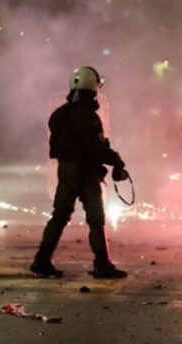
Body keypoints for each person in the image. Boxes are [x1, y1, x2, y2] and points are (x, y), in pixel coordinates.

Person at [30, 66, 129, 279]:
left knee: (59, 216)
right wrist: (116, 161)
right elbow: (97, 149)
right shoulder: (90, 117)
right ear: (92, 87)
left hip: (66, 171)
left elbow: (57, 146)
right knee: (96, 219)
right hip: (86, 173)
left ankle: (41, 260)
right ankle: (102, 265)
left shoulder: (58, 114)